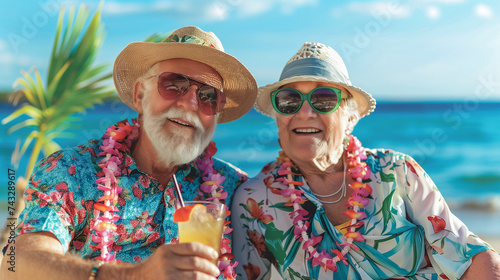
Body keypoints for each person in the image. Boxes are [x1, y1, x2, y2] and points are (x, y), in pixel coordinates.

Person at [1, 26, 257, 280]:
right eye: (175, 85)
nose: (189, 103)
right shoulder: (71, 173)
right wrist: (134, 276)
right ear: (139, 95)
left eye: (208, 95)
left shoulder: (237, 190)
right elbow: (17, 265)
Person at [231, 42, 500, 280]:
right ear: (278, 119)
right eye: (289, 100)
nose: (304, 112)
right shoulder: (255, 200)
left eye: (323, 99)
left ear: (350, 118)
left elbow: (473, 257)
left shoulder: (396, 171)